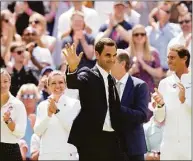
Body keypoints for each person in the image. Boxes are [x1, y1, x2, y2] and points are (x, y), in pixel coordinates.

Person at [63, 38, 124, 161]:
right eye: (108, 55)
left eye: (114, 55)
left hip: (112, 139)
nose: (112, 59)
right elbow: (74, 83)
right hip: (91, 140)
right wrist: (72, 69)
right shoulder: (88, 74)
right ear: (97, 54)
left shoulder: (111, 80)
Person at [152, 44, 191, 160]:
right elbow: (159, 119)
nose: (168, 61)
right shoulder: (164, 83)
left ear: (184, 59)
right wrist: (160, 105)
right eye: (168, 58)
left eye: (172, 57)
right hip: (169, 146)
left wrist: (184, 100)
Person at [111, 49, 149, 161]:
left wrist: (117, 108)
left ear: (122, 64)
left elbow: (142, 115)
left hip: (132, 149)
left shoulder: (139, 85)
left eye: (112, 61)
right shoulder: (105, 85)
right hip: (111, 148)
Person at [34, 70, 80, 160]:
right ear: (48, 86)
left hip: (67, 155)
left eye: (61, 82)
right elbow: (37, 132)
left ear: (66, 84)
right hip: (47, 156)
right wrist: (48, 116)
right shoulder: (42, 105)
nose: (57, 86)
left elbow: (74, 131)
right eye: (53, 83)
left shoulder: (75, 103)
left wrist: (57, 112)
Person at [0, 68, 27, 160]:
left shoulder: (18, 105)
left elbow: (20, 133)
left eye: (5, 81)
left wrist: (9, 122)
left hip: (10, 150)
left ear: (10, 82)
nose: (2, 85)